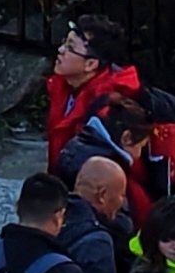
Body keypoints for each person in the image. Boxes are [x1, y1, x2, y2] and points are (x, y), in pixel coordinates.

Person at [54, 18, 149, 178]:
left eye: (70, 47)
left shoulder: (110, 108)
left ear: (91, 64)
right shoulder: (66, 87)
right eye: (65, 42)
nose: (61, 49)